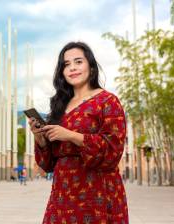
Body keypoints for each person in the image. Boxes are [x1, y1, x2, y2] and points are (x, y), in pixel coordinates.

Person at [29, 42, 128, 223]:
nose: (72, 68)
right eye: (66, 64)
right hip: (62, 194)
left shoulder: (108, 101)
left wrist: (70, 135)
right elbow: (48, 163)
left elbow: (113, 150)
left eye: (78, 62)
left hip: (97, 191)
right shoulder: (60, 105)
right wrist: (39, 137)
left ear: (90, 66)